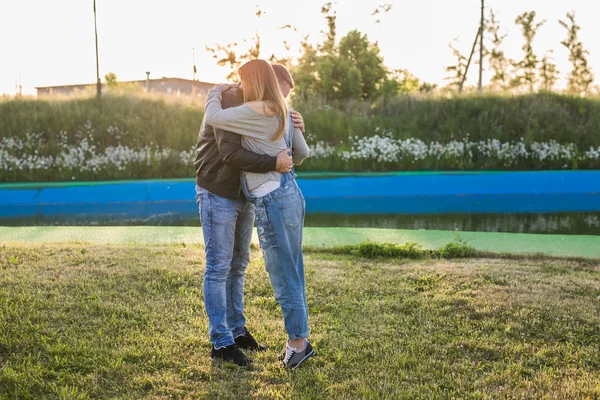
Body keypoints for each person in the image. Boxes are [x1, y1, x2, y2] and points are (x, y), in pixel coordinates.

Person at [204, 59, 313, 369]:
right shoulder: (282, 110)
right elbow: (302, 154)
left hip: (272, 200)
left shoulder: (255, 110)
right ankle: (299, 339)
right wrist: (288, 135)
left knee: (283, 276)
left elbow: (214, 117)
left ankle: (298, 343)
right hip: (290, 192)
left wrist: (214, 91)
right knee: (293, 270)